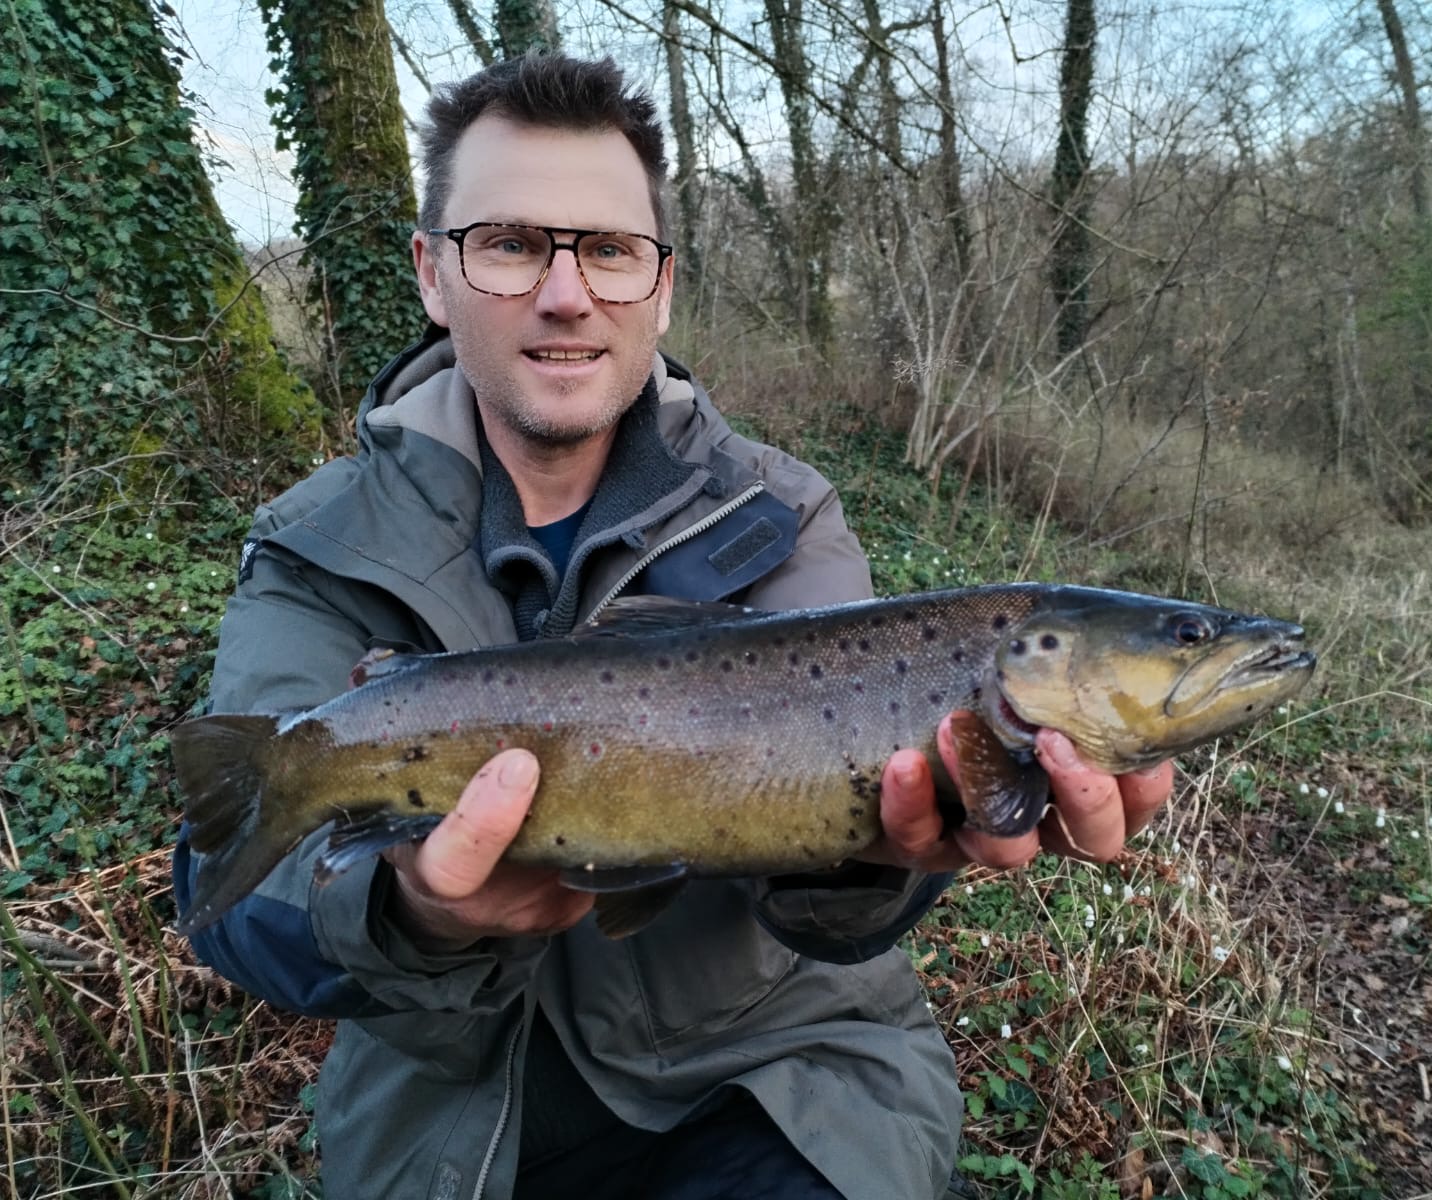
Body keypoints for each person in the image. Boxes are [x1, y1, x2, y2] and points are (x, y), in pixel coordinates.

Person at [173, 52, 1174, 1200]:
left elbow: (845, 874)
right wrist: (414, 916)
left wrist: (884, 864)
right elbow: (236, 898)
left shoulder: (783, 516)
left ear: (661, 285)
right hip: (443, 1114)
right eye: (509, 244)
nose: (566, 293)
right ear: (432, 274)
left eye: (608, 249)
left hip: (768, 1073)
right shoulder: (312, 547)